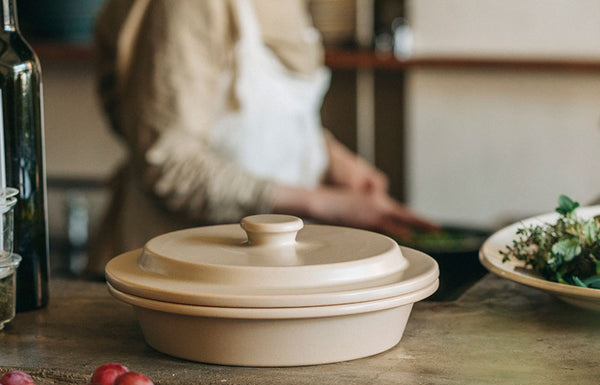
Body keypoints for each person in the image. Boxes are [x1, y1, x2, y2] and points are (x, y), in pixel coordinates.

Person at [87, 0, 435, 274]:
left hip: (262, 271)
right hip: (181, 274)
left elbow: (262, 115)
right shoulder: (187, 6)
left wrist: (333, 157)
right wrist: (325, 202)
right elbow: (169, 163)